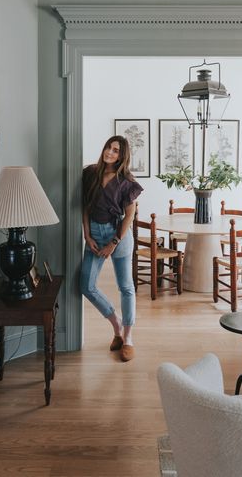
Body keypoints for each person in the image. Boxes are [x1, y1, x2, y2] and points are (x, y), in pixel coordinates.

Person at [80, 135, 143, 362]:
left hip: (119, 236)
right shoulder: (90, 174)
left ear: (122, 155)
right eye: (109, 147)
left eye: (116, 150)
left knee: (125, 287)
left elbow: (130, 215)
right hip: (95, 235)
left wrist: (113, 243)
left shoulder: (127, 181)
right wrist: (87, 235)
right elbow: (85, 206)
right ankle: (116, 324)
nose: (110, 152)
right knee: (86, 285)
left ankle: (127, 338)